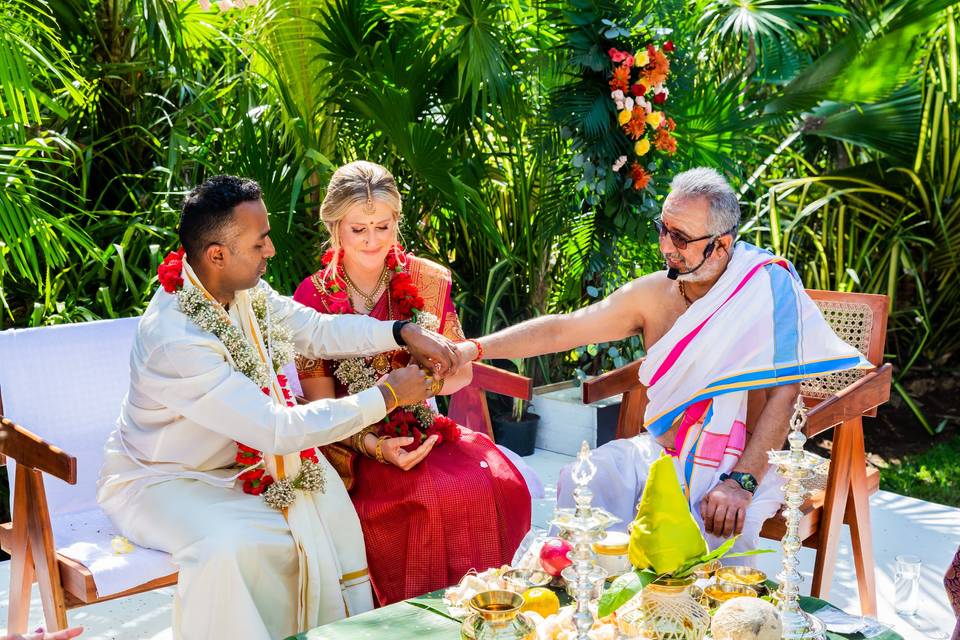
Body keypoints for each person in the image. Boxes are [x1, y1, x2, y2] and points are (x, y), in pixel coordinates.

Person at [97, 176, 462, 640]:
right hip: (159, 478)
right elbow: (276, 428)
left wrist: (400, 331)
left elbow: (318, 330)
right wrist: (388, 395)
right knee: (239, 545)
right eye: (260, 241)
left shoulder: (243, 290)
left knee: (322, 520)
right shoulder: (176, 338)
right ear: (217, 255)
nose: (271, 250)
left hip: (235, 467)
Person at [458, 168, 867, 557]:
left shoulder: (766, 289)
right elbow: (564, 329)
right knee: (588, 482)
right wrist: (472, 348)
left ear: (721, 245)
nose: (666, 247)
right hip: (660, 451)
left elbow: (786, 391)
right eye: (663, 229)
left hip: (743, 466)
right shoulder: (654, 295)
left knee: (717, 568)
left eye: (681, 237)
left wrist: (742, 481)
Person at [293, 161, 531, 605]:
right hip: (352, 443)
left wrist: (431, 384)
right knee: (424, 499)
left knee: (497, 480)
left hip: (424, 427)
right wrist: (374, 444)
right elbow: (319, 406)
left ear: (397, 222)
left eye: (382, 226)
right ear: (335, 228)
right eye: (358, 229)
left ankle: (489, 613)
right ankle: (419, 622)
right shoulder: (314, 296)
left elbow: (461, 367)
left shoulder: (427, 279)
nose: (371, 241)